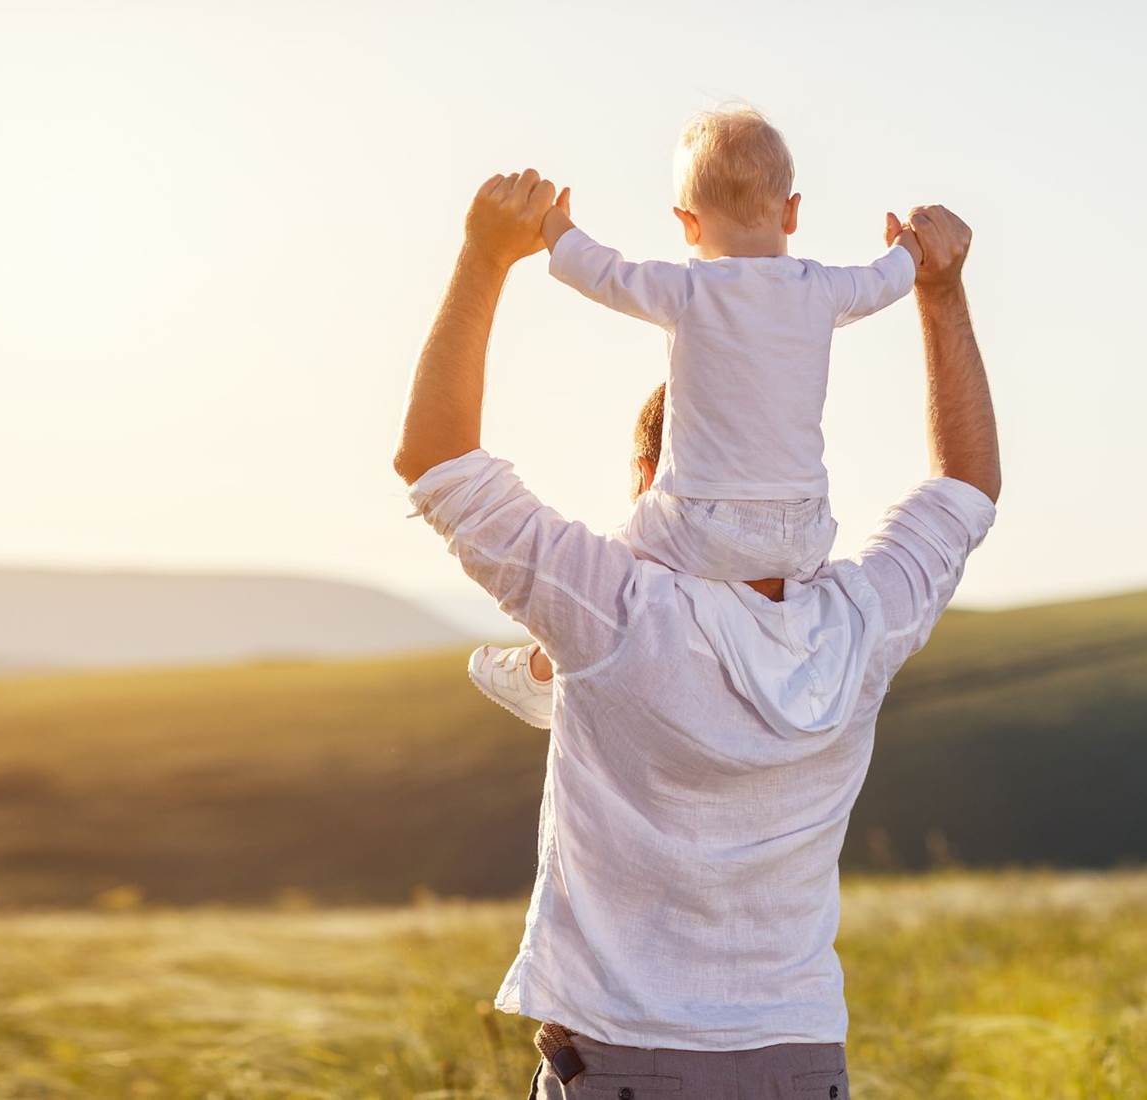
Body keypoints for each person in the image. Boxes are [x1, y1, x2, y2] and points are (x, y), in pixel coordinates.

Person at [393, 169, 999, 1098]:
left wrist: (484, 257)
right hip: (801, 1061)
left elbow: (436, 459)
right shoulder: (859, 624)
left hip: (622, 1066)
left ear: (654, 476)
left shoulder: (610, 611)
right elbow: (965, 489)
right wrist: (941, 290)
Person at [470, 108, 922, 728]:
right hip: (804, 530)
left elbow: (605, 273)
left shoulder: (687, 290)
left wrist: (556, 227)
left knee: (607, 574)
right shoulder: (824, 288)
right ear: (791, 212)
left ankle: (542, 673)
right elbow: (887, 280)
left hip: (700, 521)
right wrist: (908, 249)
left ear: (687, 223)